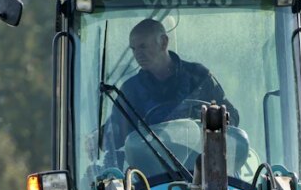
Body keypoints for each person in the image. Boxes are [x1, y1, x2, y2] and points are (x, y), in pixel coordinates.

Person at [101, 19, 239, 157]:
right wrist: (99, 139)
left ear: (163, 42)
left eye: (143, 46)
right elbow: (116, 132)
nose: (137, 54)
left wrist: (216, 121)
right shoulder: (131, 90)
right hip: (151, 172)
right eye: (133, 49)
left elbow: (231, 117)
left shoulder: (198, 77)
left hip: (201, 167)